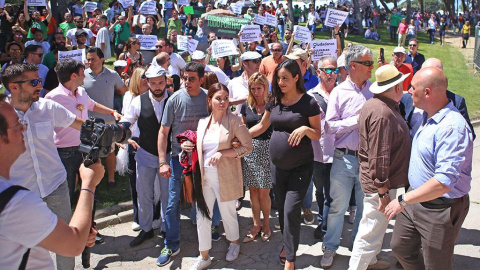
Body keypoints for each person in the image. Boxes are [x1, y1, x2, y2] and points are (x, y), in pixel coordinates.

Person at [0, 93, 104, 269]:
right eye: (17, 125)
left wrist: (66, 234)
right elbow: (73, 245)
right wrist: (88, 184)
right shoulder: (16, 203)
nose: (24, 129)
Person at [386, 67, 473, 270]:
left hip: (439, 208)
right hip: (415, 200)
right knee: (400, 247)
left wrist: (404, 200)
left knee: (437, 265)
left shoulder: (452, 127)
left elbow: (443, 182)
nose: (408, 91)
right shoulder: (427, 116)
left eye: (413, 87)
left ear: (427, 92)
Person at [250, 59, 321, 269]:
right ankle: (288, 245)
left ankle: (290, 259)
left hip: (301, 167)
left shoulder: (309, 103)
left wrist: (306, 130)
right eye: (278, 78)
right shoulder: (274, 100)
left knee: (291, 210)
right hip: (277, 167)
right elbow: (262, 126)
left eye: (285, 78)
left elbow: (318, 134)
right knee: (282, 209)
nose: (281, 82)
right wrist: (241, 136)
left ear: (297, 78)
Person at [348, 65, 411, 270]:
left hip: (379, 182)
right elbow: (380, 156)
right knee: (370, 233)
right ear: (396, 87)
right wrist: (383, 192)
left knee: (375, 228)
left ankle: (372, 262)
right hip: (381, 185)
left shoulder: (376, 104)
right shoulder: (383, 113)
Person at [321, 45, 374, 268]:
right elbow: (330, 127)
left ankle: (357, 249)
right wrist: (356, 120)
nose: (372, 68)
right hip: (343, 159)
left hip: (368, 160)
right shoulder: (339, 92)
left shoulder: (375, 90)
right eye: (368, 64)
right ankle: (330, 247)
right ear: (353, 66)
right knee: (337, 208)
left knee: (364, 210)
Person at [189, 83, 253, 270]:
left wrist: (224, 153)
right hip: (204, 176)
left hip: (225, 175)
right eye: (218, 98)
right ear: (209, 100)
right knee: (202, 216)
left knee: (228, 214)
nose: (223, 102)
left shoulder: (234, 121)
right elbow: (200, 149)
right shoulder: (202, 123)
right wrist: (189, 147)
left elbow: (247, 146)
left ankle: (234, 243)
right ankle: (204, 255)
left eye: (226, 98)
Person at [44, 58, 122, 204]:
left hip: (87, 146)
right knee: (66, 184)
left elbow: (92, 105)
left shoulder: (81, 91)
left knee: (90, 180)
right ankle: (67, 210)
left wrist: (112, 112)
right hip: (64, 150)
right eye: (82, 73)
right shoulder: (52, 98)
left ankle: (90, 203)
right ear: (73, 76)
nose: (84, 76)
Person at [157, 62, 210, 266]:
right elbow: (163, 132)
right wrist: (163, 161)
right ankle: (171, 243)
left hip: (202, 158)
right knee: (172, 203)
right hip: (178, 160)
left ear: (201, 79)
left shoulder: (208, 98)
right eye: (184, 78)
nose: (187, 82)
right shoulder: (174, 100)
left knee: (205, 198)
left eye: (192, 79)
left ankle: (208, 235)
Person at [120, 65, 171, 247]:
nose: (157, 86)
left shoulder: (173, 99)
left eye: (160, 82)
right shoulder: (138, 101)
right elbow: (128, 119)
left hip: (169, 156)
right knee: (144, 194)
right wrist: (120, 130)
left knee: (167, 195)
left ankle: (167, 229)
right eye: (153, 83)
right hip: (145, 154)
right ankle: (146, 229)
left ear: (166, 82)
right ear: (147, 83)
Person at [83, 47, 128, 188]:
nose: (90, 62)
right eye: (88, 59)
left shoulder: (113, 75)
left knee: (109, 151)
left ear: (102, 59)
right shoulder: (81, 75)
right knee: (90, 153)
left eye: (93, 59)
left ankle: (111, 179)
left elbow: (123, 91)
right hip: (88, 122)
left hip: (108, 121)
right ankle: (91, 181)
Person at [240, 73, 273, 243]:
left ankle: (266, 224)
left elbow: (262, 127)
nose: (256, 92)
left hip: (267, 149)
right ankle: (256, 225)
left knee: (264, 192)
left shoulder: (272, 103)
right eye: (253, 89)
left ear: (265, 87)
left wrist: (240, 137)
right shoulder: (247, 105)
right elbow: (244, 124)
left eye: (259, 88)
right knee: (252, 191)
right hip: (250, 151)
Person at [307, 55, 338, 240]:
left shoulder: (342, 92)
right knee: (320, 190)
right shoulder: (310, 96)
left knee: (334, 192)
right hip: (318, 153)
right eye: (328, 70)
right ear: (318, 72)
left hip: (339, 151)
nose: (332, 74)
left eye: (334, 70)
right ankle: (322, 218)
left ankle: (327, 224)